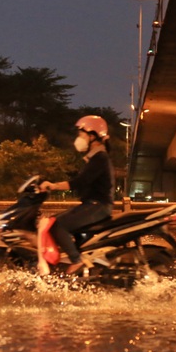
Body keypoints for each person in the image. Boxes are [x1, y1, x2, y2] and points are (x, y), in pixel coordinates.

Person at [39, 115, 115, 275]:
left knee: (58, 225)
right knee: (55, 221)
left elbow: (79, 182)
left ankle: (76, 260)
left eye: (81, 134)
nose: (79, 138)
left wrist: (53, 185)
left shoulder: (99, 158)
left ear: (92, 136)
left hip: (98, 206)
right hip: (91, 205)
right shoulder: (96, 157)